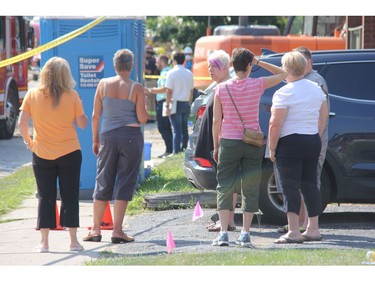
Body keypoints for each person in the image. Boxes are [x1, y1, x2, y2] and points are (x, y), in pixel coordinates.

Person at [211, 48, 287, 247]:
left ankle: (224, 233)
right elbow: (283, 74)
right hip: (252, 142)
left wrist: (216, 146)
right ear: (248, 65)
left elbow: (216, 121)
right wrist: (259, 62)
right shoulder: (257, 84)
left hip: (228, 141)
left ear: (232, 66)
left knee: (225, 185)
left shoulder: (221, 88)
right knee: (250, 187)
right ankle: (245, 233)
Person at [18, 56, 88, 253]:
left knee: (45, 196)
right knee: (70, 195)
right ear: (65, 75)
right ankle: (73, 241)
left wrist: (29, 143)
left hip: (42, 153)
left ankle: (44, 242)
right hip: (70, 152)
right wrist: (80, 109)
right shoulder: (73, 95)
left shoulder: (32, 94)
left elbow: (22, 123)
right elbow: (82, 124)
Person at [83, 49, 149, 244]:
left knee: (103, 180)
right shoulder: (135, 87)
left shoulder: (102, 85)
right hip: (130, 137)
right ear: (131, 66)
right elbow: (143, 118)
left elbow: (95, 116)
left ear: (115, 65)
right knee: (125, 181)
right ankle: (117, 231)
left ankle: (96, 229)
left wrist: (95, 140)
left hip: (107, 137)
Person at [269, 51, 328, 244]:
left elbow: (275, 124)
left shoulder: (283, 92)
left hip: (290, 143)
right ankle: (313, 228)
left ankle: (293, 231)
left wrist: (272, 148)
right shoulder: (316, 88)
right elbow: (323, 117)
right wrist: (315, 134)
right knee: (310, 185)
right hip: (312, 140)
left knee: (289, 186)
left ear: (285, 69)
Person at [192, 50, 238, 232]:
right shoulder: (219, 85)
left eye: (213, 66)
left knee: (226, 184)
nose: (209, 69)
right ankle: (228, 221)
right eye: (209, 66)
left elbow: (221, 119)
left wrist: (217, 145)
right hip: (221, 142)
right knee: (228, 184)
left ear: (225, 67)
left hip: (224, 142)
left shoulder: (225, 86)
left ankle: (226, 222)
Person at [165, 52, 194, 155]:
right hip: (186, 102)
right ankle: (185, 149)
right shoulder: (189, 73)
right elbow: (191, 91)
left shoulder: (171, 72)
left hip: (175, 103)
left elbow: (168, 91)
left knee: (176, 129)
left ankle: (176, 151)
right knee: (184, 128)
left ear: (174, 60)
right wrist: (189, 102)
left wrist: (167, 106)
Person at [144, 54, 173, 158]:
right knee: (167, 127)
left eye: (157, 62)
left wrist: (150, 90)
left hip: (164, 102)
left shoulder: (165, 73)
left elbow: (165, 88)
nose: (156, 64)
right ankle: (171, 149)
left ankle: (170, 150)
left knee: (163, 127)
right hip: (164, 101)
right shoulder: (166, 72)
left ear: (162, 62)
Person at [144, 45, 159, 122]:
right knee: (152, 101)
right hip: (154, 81)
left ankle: (149, 118)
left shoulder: (149, 61)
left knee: (148, 100)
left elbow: (149, 72)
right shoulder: (154, 60)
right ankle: (153, 118)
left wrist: (143, 69)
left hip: (149, 82)